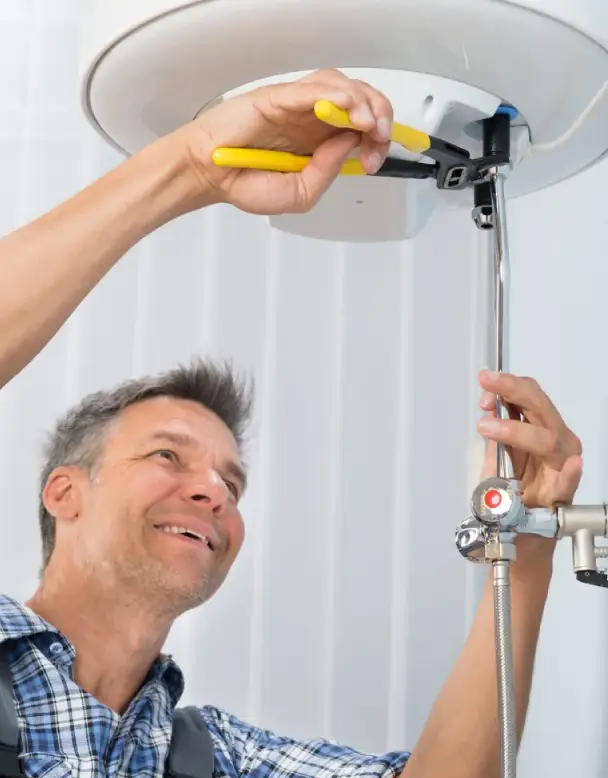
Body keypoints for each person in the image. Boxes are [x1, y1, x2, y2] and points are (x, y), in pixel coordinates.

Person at [0, 68, 582, 778]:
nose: (214, 493)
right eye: (167, 456)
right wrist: (191, 163)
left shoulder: (219, 759)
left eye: (232, 485)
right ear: (64, 493)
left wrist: (525, 553)